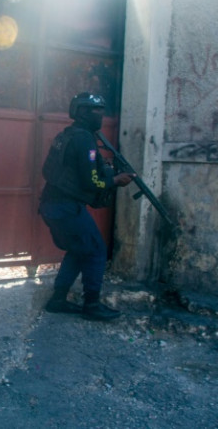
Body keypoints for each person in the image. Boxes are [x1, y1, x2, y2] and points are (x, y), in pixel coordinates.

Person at [39, 92, 135, 321]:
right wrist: (115, 180)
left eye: (102, 110)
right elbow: (91, 182)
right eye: (95, 110)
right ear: (81, 112)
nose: (100, 115)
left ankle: (58, 300)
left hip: (54, 205)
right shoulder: (83, 139)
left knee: (79, 249)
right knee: (96, 250)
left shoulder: (69, 135)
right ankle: (92, 304)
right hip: (64, 207)